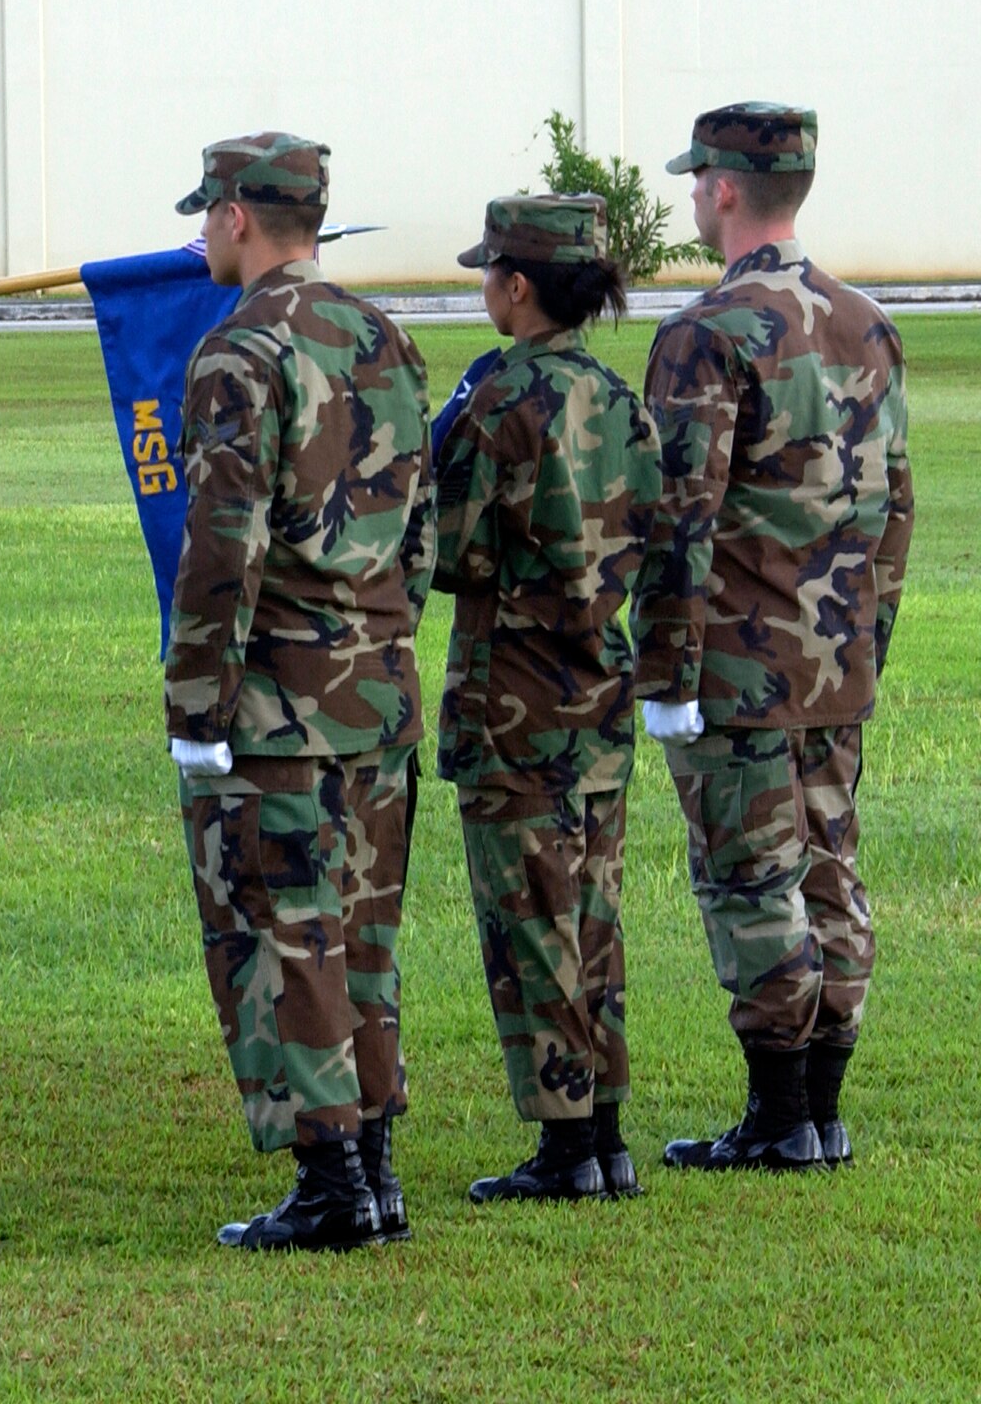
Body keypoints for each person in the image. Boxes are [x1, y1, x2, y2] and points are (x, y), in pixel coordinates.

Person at [164, 133, 433, 1253]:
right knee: (362, 935)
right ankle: (372, 1167)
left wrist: (194, 701)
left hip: (279, 696)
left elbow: (221, 543)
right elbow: (418, 532)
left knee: (284, 935)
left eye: (207, 215)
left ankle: (329, 1185)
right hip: (376, 682)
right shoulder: (386, 339)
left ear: (236, 218)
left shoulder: (240, 351)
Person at [635, 104, 911, 1171]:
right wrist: (866, 641)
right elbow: (894, 507)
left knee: (750, 880)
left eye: (695, 179)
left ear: (721, 188)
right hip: (835, 659)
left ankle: (779, 1114)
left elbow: (676, 517)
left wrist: (665, 670)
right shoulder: (863, 324)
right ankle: (819, 1109)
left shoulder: (705, 333)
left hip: (738, 667)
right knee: (829, 870)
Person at [431, 194, 662, 1203]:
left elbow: (449, 549)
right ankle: (602, 1128)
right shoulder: (617, 398)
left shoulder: (495, 405)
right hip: (598, 690)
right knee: (592, 916)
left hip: (510, 696)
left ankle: (564, 1147)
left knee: (528, 921)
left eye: (487, 272)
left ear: (514, 285)